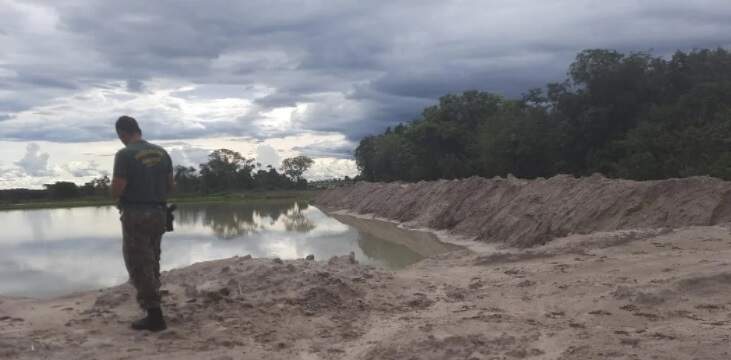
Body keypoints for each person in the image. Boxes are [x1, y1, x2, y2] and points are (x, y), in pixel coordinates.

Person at [112, 115, 174, 332]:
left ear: (122, 133)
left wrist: (115, 196)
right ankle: (154, 303)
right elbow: (170, 185)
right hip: (159, 212)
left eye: (119, 136)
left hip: (135, 214)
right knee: (153, 257)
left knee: (139, 263)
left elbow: (118, 187)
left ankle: (154, 315)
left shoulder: (124, 154)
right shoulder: (162, 153)